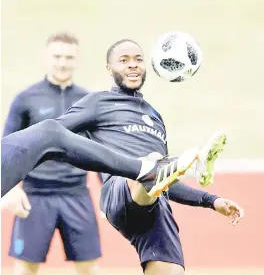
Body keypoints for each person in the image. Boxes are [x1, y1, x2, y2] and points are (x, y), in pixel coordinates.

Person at [1, 39, 244, 275]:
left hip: (153, 202)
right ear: (109, 69)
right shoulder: (97, 102)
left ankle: (149, 175)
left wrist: (211, 200)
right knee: (150, 169)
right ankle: (146, 173)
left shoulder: (155, 116)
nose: (132, 64)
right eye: (123, 60)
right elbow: (54, 136)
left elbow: (167, 181)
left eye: (138, 59)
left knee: (170, 266)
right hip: (119, 188)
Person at [2, 32, 102, 275]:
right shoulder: (26, 99)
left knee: (89, 268)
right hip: (35, 196)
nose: (62, 62)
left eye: (68, 57)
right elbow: (7, 147)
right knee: (25, 269)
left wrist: (110, 191)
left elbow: (101, 150)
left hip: (77, 194)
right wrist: (10, 190)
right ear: (47, 57)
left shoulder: (88, 101)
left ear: (76, 60)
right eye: (57, 56)